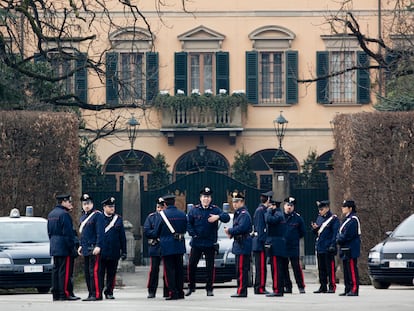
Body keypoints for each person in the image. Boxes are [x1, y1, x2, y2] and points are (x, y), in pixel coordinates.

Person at [186, 186, 230, 297]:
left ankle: (209, 288)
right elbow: (188, 223)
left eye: (208, 197)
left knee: (210, 267)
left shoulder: (215, 209)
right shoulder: (194, 210)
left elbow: (226, 217)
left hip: (210, 243)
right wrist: (193, 234)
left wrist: (218, 217)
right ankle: (191, 286)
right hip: (197, 243)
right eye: (204, 197)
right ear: (200, 198)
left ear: (210, 199)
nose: (206, 199)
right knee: (191, 266)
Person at [155, 194, 187, 300]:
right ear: (174, 202)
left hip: (167, 246)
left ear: (164, 204)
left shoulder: (162, 215)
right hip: (179, 244)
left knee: (169, 270)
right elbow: (185, 228)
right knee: (179, 269)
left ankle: (172, 292)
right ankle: (180, 291)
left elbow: (156, 231)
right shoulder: (182, 214)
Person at [47, 194, 78, 301]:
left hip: (54, 246)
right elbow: (68, 234)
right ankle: (64, 293)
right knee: (64, 272)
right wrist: (72, 248)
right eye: (69, 202)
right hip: (64, 247)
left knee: (56, 270)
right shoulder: (64, 215)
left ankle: (56, 293)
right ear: (63, 202)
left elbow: (49, 232)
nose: (70, 204)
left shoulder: (51, 214)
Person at [224, 191, 252, 298]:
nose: (235, 204)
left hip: (243, 243)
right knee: (239, 268)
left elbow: (242, 228)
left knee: (241, 268)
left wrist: (230, 230)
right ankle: (240, 289)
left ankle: (241, 290)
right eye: (233, 202)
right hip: (239, 243)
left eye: (237, 202)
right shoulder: (238, 214)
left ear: (242, 202)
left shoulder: (244, 214)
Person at [78, 193, 105, 301]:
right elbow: (84, 233)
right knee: (87, 272)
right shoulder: (83, 217)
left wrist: (99, 245)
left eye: (88, 203)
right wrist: (80, 245)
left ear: (92, 204)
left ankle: (97, 294)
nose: (86, 206)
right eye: (84, 204)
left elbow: (100, 232)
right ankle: (90, 293)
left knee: (94, 272)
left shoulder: (97, 215)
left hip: (94, 247)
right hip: (85, 247)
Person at [100, 197, 127, 299]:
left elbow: (122, 237)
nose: (112, 208)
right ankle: (99, 290)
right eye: (110, 206)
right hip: (102, 251)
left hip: (114, 251)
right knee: (100, 273)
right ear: (104, 207)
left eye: (113, 206)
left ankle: (109, 292)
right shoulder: (99, 218)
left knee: (112, 273)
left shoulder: (118, 219)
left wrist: (124, 251)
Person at [311, 200, 340, 294]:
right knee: (321, 268)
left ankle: (332, 286)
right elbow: (318, 232)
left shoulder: (333, 219)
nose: (320, 211)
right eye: (319, 209)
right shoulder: (319, 218)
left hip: (328, 247)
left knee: (330, 268)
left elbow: (335, 233)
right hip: (320, 246)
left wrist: (332, 245)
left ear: (327, 208)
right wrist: (315, 229)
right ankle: (323, 286)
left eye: (322, 209)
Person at [143, 197, 168, 299]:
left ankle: (167, 291)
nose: (159, 209)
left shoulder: (168, 217)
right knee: (154, 270)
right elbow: (147, 231)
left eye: (161, 207)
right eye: (158, 207)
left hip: (166, 246)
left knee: (167, 270)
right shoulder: (151, 217)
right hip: (155, 246)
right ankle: (151, 290)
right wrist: (156, 235)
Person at [282, 196, 306, 294]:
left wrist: (294, 238)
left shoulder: (298, 218)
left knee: (296, 267)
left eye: (291, 206)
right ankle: (288, 286)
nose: (289, 207)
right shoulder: (280, 217)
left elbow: (302, 232)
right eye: (288, 205)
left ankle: (301, 286)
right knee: (284, 267)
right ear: (284, 206)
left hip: (293, 246)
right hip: (283, 246)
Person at [337, 200, 361, 297]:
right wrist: (338, 238)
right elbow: (340, 232)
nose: (342, 208)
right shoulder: (346, 219)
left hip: (351, 248)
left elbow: (348, 235)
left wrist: (339, 239)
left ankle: (354, 288)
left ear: (350, 208)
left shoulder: (353, 220)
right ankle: (347, 288)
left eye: (345, 207)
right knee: (346, 269)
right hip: (345, 247)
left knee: (351, 269)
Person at [252, 190, 273, 295]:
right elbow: (261, 228)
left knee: (262, 267)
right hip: (260, 243)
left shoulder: (263, 210)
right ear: (268, 199)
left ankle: (261, 286)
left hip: (261, 242)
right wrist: (264, 242)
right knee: (260, 267)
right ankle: (259, 287)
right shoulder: (261, 210)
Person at [265, 200, 286, 297]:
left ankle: (278, 289)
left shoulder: (278, 215)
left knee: (276, 269)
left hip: (276, 245)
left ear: (274, 206)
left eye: (271, 205)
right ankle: (277, 288)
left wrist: (268, 211)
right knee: (275, 268)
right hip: (276, 244)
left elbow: (269, 220)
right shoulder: (278, 214)